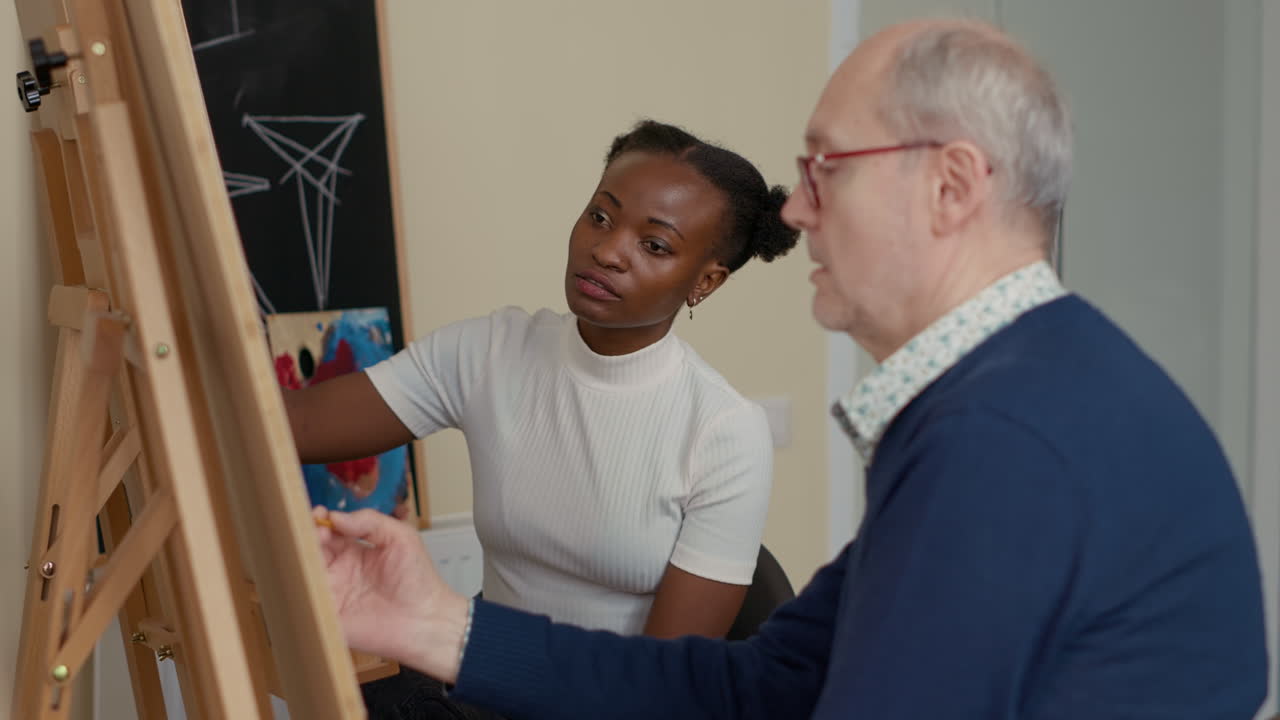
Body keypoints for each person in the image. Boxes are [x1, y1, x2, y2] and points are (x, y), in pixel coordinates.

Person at [314, 18, 1268, 720]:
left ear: (952, 187)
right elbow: (763, 685)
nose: (799, 213)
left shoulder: (1006, 441)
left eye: (828, 170)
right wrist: (439, 625)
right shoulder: (1006, 397)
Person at [287, 119, 799, 715]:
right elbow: (286, 428)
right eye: (600, 216)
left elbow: (662, 686)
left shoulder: (724, 430)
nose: (606, 250)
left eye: (654, 245)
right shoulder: (489, 353)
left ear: (705, 281)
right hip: (480, 686)